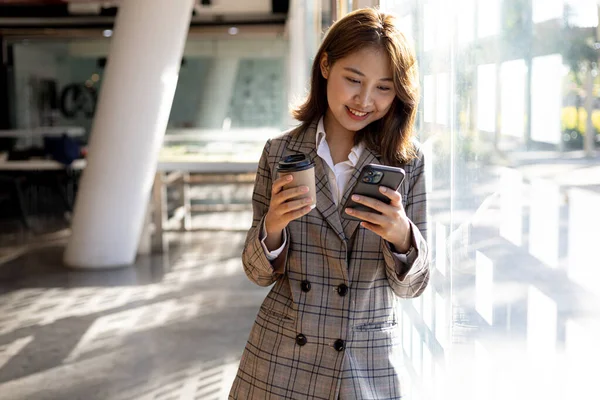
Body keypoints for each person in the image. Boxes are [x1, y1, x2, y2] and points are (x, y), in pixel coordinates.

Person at [229, 7, 430, 400]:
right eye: (353, 80)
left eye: (384, 88)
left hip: (366, 361)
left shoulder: (407, 161)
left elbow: (414, 287)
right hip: (281, 360)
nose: (365, 100)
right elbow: (257, 274)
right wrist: (271, 228)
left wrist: (402, 236)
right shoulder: (279, 152)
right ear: (325, 66)